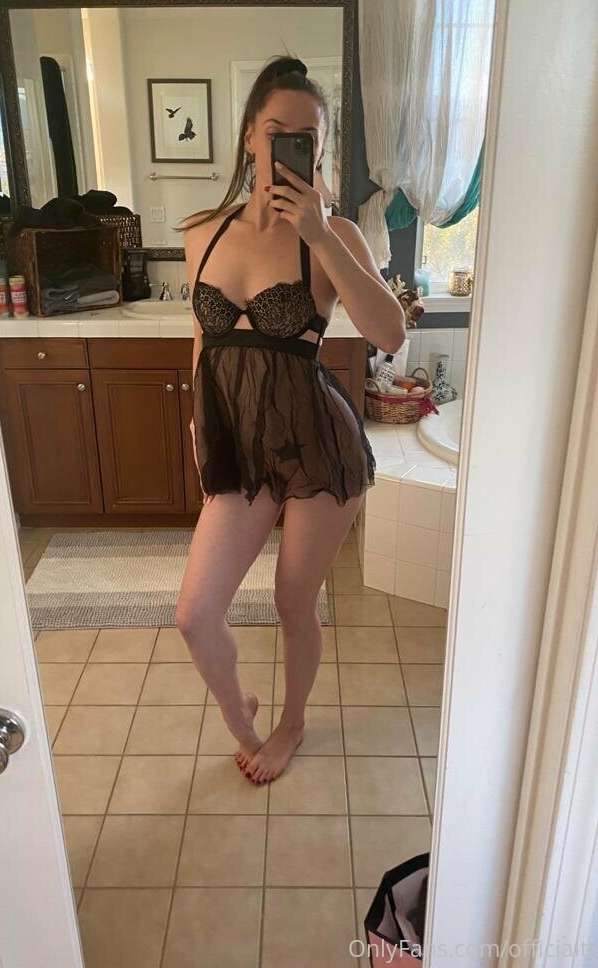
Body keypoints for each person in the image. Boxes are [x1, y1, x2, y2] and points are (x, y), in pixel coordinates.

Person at [175, 54, 406, 785]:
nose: (289, 148)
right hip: (241, 448)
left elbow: (389, 333)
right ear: (250, 135)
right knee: (195, 614)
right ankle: (241, 716)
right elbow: (203, 342)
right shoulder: (201, 233)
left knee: (292, 600)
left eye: (307, 138)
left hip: (317, 447)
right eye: (278, 131)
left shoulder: (336, 234)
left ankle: (293, 721)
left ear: (321, 150)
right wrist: (200, 431)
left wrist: (321, 235)